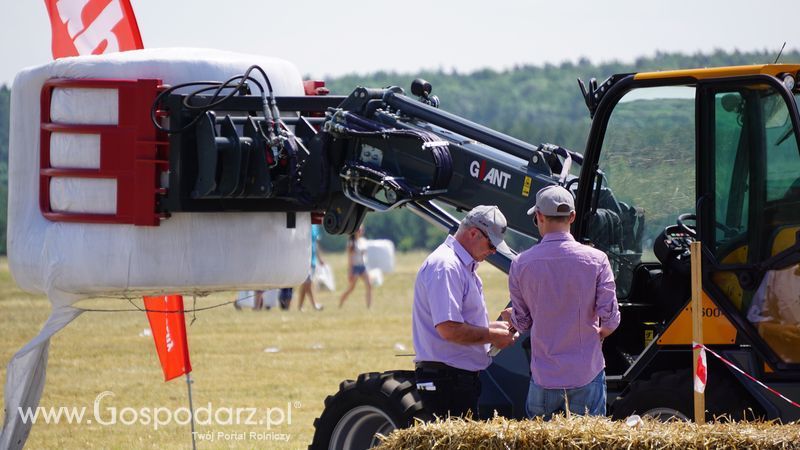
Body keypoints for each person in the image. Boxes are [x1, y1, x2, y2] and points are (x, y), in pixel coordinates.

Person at [503, 185, 620, 419]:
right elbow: (611, 318)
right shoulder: (597, 260)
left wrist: (510, 318)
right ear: (573, 217)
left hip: (544, 377)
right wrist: (600, 332)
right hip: (586, 373)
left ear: (538, 216)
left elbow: (523, 322)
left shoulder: (521, 264)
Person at [412, 205, 517, 418]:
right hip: (447, 383)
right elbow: (449, 329)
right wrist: (491, 334)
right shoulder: (447, 266)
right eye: (491, 244)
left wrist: (496, 330)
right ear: (473, 233)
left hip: (454, 380)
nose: (493, 251)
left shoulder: (459, 266)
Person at [339, 226, 372, 309]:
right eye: (359, 230)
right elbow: (350, 258)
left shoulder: (363, 241)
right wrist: (350, 271)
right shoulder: (351, 242)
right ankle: (342, 300)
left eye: (361, 230)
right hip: (355, 267)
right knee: (351, 288)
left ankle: (368, 306)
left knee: (369, 285)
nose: (361, 231)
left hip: (362, 266)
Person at [298, 223, 324, 311]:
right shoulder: (303, 224)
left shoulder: (315, 226)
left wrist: (319, 258)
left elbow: (315, 243)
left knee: (306, 284)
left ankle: (300, 306)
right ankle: (314, 305)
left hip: (312, 259)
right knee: (308, 283)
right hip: (304, 258)